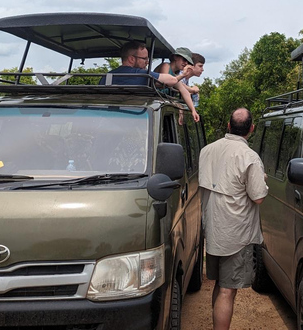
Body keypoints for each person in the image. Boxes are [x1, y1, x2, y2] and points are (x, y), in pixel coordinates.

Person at [198, 108, 268, 330]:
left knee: (221, 285)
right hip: (236, 234)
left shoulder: (207, 150)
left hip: (213, 229)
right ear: (251, 129)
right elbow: (258, 197)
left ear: (228, 126)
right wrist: (262, 179)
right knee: (228, 290)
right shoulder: (249, 157)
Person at [99, 41, 200, 121]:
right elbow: (170, 80)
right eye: (144, 59)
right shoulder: (142, 75)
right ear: (131, 59)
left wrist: (193, 110)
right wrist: (184, 75)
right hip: (135, 117)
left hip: (106, 119)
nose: (147, 62)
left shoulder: (107, 77)